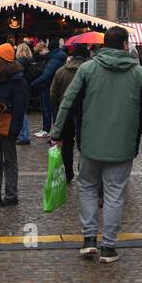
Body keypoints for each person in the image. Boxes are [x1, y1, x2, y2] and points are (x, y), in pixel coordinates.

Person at [50, 26, 142, 264]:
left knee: (87, 186)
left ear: (102, 45)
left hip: (90, 141)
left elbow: (68, 102)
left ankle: (89, 240)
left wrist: (57, 133)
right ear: (125, 46)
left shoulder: (87, 69)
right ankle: (109, 247)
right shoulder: (138, 73)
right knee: (115, 193)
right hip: (123, 143)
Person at [0, 43, 28, 206]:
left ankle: (11, 195)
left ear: (4, 59)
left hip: (7, 124)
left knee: (9, 161)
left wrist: (15, 129)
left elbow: (19, 108)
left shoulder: (18, 81)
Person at [50, 44, 90, 185]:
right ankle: (83, 171)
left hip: (65, 112)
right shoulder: (91, 72)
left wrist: (60, 105)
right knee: (84, 144)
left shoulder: (61, 71)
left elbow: (53, 94)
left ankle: (68, 173)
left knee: (66, 145)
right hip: (85, 114)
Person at [30, 40, 67, 137]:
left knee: (48, 109)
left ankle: (48, 130)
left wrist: (32, 84)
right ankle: (52, 130)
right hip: (52, 86)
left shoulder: (53, 59)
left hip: (48, 87)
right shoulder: (57, 57)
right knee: (52, 109)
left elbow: (47, 75)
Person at [15, 42, 36, 144]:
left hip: (21, 88)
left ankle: (24, 136)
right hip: (27, 87)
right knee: (23, 112)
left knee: (21, 113)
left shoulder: (20, 61)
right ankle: (24, 135)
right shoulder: (31, 61)